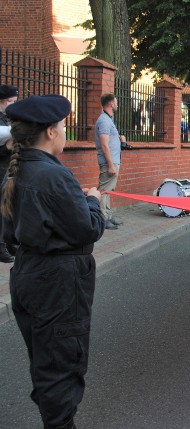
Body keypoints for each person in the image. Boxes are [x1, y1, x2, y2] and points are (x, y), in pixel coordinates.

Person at [2, 95, 106, 429]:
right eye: (62, 126)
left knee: (46, 362)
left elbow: (10, 232)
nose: (64, 131)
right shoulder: (51, 175)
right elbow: (89, 229)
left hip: (30, 274)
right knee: (61, 367)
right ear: (50, 131)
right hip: (57, 283)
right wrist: (92, 201)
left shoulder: (21, 169)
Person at [95, 93, 126, 230]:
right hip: (109, 162)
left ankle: (108, 214)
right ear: (111, 104)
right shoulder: (104, 120)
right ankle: (102, 218)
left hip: (113, 161)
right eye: (116, 102)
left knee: (109, 190)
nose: (117, 104)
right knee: (104, 190)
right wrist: (110, 165)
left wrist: (120, 139)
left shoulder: (108, 120)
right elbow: (104, 145)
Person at [0, 84, 19, 262]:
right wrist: (6, 147)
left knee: (9, 205)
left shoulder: (8, 119)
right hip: (1, 168)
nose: (14, 104)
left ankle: (9, 241)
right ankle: (1, 246)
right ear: (3, 101)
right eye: (12, 101)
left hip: (9, 167)